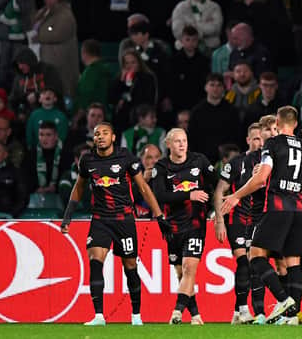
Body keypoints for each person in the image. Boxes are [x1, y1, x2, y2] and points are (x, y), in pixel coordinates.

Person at [60, 122, 171, 326]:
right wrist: (67, 216)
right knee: (95, 261)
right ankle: (98, 316)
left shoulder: (125, 157)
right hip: (100, 219)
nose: (100, 136)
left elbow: (143, 188)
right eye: (96, 134)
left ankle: (136, 315)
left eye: (104, 133)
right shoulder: (87, 160)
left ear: (113, 137)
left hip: (124, 220)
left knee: (130, 267)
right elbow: (78, 188)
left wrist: (159, 216)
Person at [221, 106, 302, 325]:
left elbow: (262, 178)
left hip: (277, 207)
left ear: (279, 122)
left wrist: (236, 195)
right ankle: (292, 315)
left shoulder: (273, 144)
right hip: (298, 210)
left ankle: (283, 300)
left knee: (255, 256)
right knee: (292, 262)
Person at [151, 127, 217, 325]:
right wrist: (190, 194)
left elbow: (219, 182)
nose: (182, 144)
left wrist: (215, 209)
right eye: (177, 141)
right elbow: (160, 195)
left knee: (189, 268)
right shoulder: (161, 167)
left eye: (184, 140)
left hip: (196, 223)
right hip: (172, 227)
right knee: (181, 273)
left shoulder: (199, 161)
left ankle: (177, 312)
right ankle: (195, 315)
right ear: (168, 144)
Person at [214, 123, 264, 324]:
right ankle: (244, 309)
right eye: (255, 138)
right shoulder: (236, 162)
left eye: (261, 138)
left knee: (256, 266)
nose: (258, 142)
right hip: (238, 217)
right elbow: (219, 191)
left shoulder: (268, 162)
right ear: (247, 140)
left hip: (259, 219)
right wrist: (219, 220)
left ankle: (238, 311)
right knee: (244, 263)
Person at [29, 0, 79, 100]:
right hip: (43, 66)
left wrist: (36, 35)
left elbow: (55, 34)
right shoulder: (43, 12)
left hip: (60, 69)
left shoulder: (66, 15)